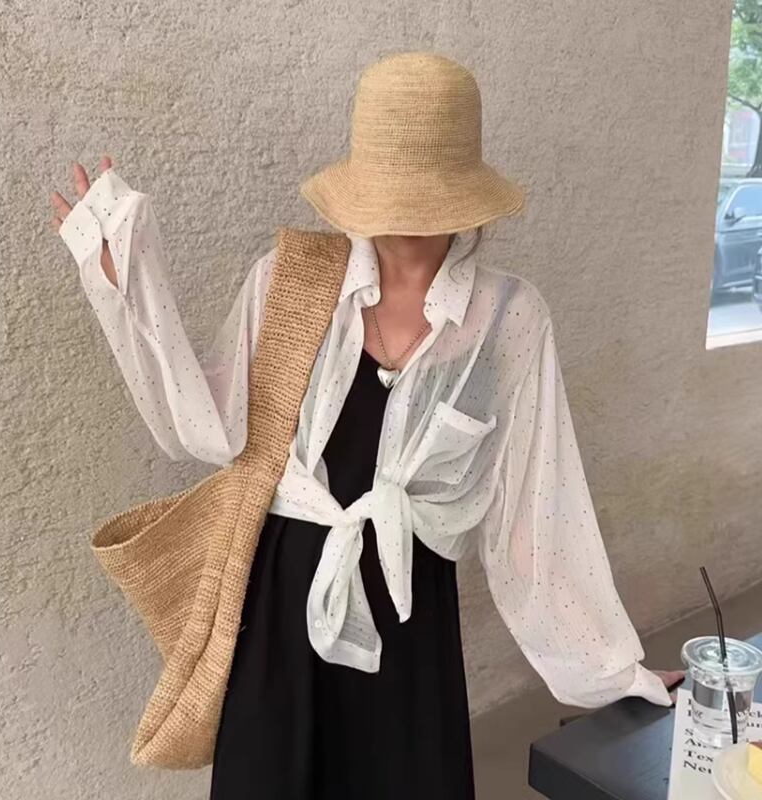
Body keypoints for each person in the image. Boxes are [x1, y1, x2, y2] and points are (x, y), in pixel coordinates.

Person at [50, 51, 684, 799]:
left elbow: (536, 514)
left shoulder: (508, 317)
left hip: (409, 618)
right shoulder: (289, 281)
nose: (407, 213)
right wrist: (129, 287)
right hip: (281, 607)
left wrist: (613, 672)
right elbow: (207, 429)